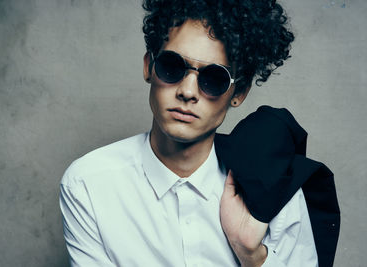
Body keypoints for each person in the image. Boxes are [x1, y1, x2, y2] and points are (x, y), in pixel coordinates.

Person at [59, 0, 318, 266]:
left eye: (213, 78)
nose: (188, 92)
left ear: (238, 93)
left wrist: (251, 254)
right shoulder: (88, 184)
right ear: (149, 66)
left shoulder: (275, 183)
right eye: (172, 66)